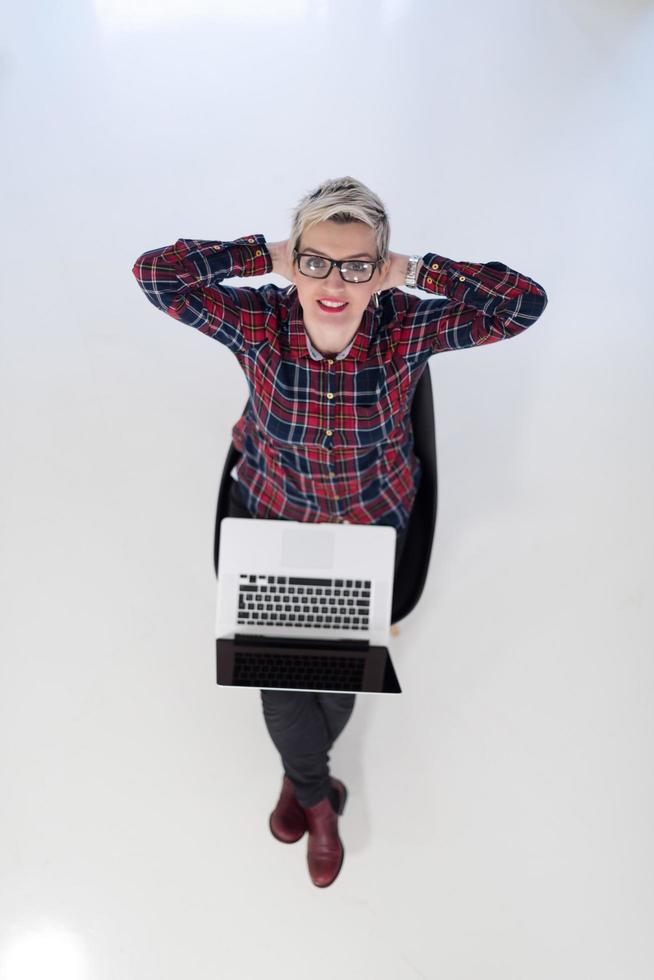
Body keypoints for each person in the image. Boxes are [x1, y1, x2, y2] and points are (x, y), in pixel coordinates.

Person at [131, 176, 549, 888]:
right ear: (296, 260)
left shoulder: (405, 328)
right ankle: (321, 800)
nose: (334, 283)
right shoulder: (261, 321)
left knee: (331, 668)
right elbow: (155, 276)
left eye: (357, 266)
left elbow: (523, 305)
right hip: (274, 515)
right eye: (316, 261)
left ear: (378, 270)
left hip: (367, 526)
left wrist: (416, 272)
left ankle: (305, 787)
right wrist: (265, 253)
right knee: (285, 676)